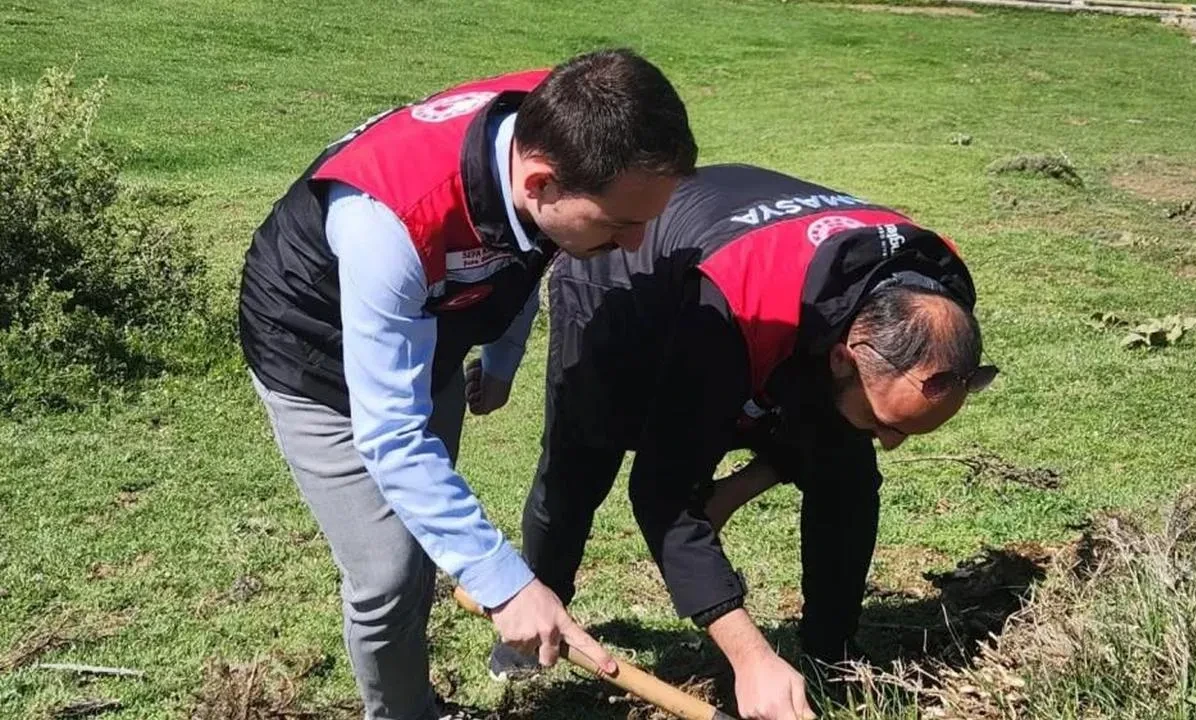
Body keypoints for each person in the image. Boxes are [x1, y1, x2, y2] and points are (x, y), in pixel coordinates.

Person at [237, 49, 697, 720]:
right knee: (390, 570)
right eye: (622, 225)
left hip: (431, 320)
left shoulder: (563, 130)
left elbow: (526, 246)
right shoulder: (388, 225)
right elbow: (391, 435)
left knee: (428, 541)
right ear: (539, 183)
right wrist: (506, 584)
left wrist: (503, 357)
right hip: (314, 350)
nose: (635, 246)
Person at [515, 164, 996, 720]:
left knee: (847, 471)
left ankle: (831, 652)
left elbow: (817, 415)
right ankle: (537, 614)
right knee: (581, 461)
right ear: (844, 356)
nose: (893, 443)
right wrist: (751, 658)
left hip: (770, 286)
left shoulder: (932, 289)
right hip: (629, 279)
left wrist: (740, 486)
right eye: (889, 422)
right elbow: (661, 495)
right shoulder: (734, 306)